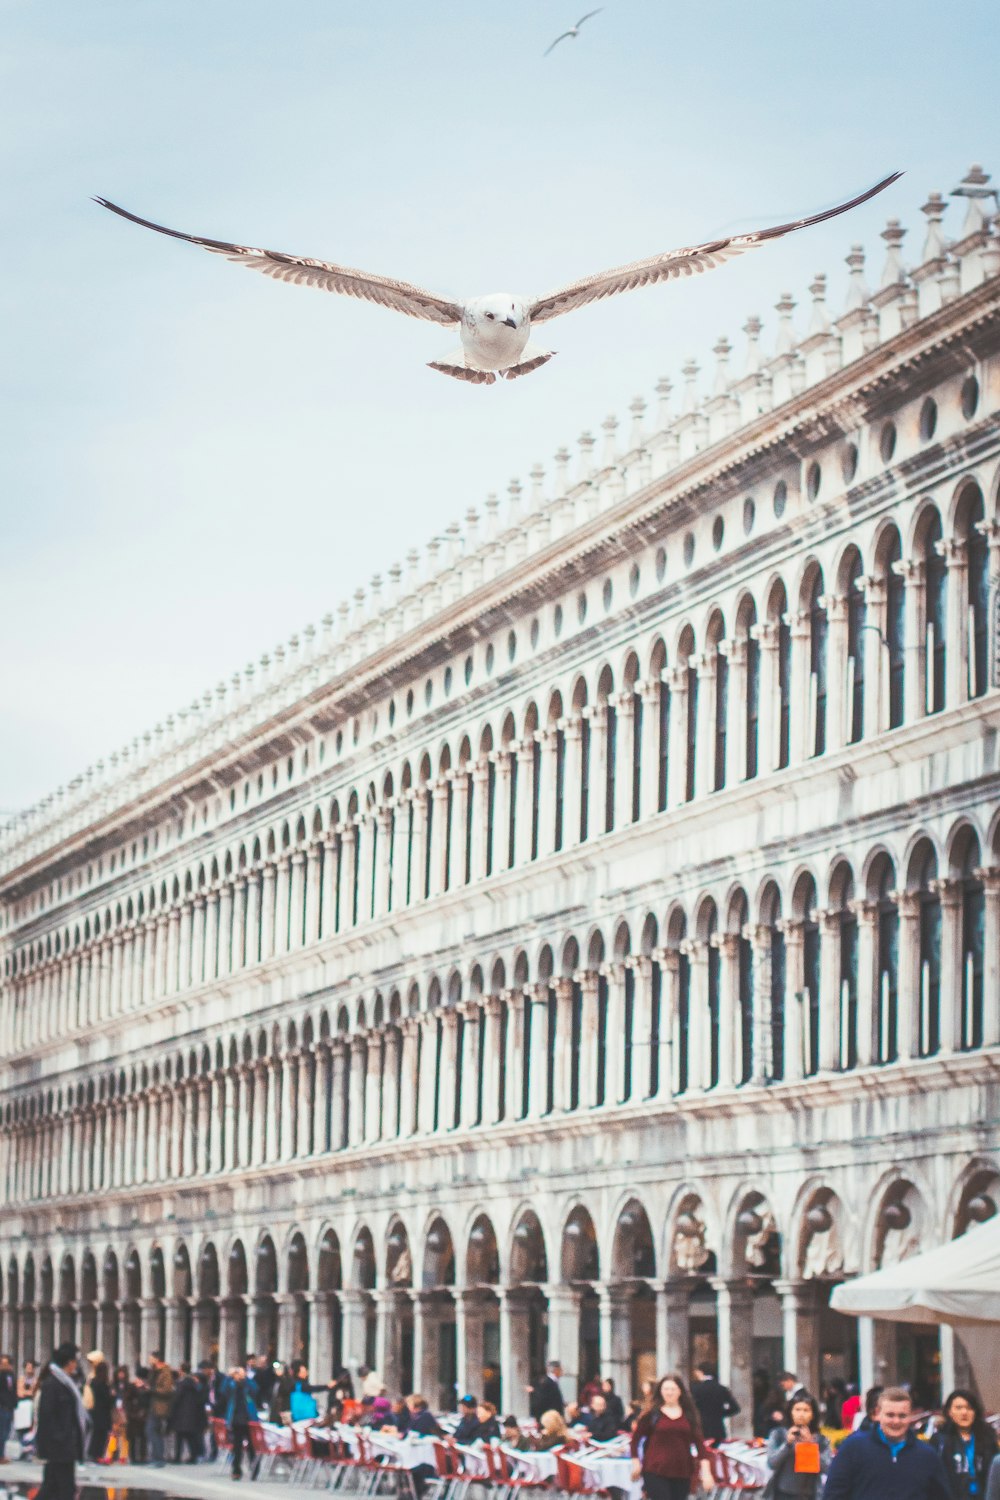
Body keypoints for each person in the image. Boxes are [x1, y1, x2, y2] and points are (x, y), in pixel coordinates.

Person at [824, 1386, 950, 1500]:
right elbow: (834, 1494)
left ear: (911, 1416)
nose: (896, 1421)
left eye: (902, 1416)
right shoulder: (853, 1448)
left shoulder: (926, 1455)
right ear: (877, 1414)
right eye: (890, 1415)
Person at [630, 1374, 713, 1500]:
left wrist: (706, 1472)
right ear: (660, 1391)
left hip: (682, 1471)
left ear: (680, 1391)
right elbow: (635, 1440)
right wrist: (636, 1462)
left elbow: (700, 1445)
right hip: (655, 1470)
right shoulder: (652, 1414)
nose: (669, 1393)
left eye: (673, 1389)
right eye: (666, 1389)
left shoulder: (689, 1415)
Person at [36, 1343, 89, 1500]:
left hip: (65, 1445)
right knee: (64, 1489)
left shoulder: (68, 1383)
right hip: (59, 1445)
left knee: (53, 1488)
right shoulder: (53, 1384)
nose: (76, 1365)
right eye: (75, 1361)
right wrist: (58, 1440)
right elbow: (46, 1416)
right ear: (69, 1362)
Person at [931, 1388, 999, 1498]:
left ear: (975, 1412)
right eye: (958, 1408)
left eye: (969, 1408)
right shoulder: (940, 1440)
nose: (964, 1412)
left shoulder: (988, 1437)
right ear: (949, 1412)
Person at [765, 1392, 833, 1498]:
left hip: (809, 1494)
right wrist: (787, 1444)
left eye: (806, 1410)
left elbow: (828, 1468)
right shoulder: (778, 1434)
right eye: (797, 1409)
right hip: (783, 1493)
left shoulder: (821, 1440)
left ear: (812, 1415)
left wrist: (810, 1444)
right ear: (790, 1412)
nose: (801, 1414)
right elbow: (772, 1463)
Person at [691, 1363, 741, 1444]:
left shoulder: (695, 1389)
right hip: (718, 1429)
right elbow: (735, 1408)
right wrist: (720, 1413)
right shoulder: (721, 1388)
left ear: (701, 1372)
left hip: (701, 1428)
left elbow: (690, 1408)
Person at [170, 1362, 206, 1462]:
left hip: (182, 1413)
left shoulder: (182, 1383)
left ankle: (178, 1457)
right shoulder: (193, 1383)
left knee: (180, 1437)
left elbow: (177, 1397)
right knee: (189, 1436)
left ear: (181, 1370)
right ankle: (193, 1456)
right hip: (191, 1413)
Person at [146, 1350, 175, 1467]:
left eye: (151, 1358)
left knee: (152, 1430)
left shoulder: (165, 1372)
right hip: (154, 1405)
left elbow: (167, 1389)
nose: (149, 1360)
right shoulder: (155, 1371)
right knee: (153, 1431)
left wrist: (152, 1389)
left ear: (157, 1359)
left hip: (160, 1406)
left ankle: (158, 1458)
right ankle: (156, 1457)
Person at [85, 1357, 114, 1463]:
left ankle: (93, 1454)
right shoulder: (103, 1384)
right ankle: (97, 1454)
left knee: (96, 1433)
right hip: (103, 1412)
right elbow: (107, 1399)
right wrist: (112, 1395)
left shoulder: (93, 1382)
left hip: (94, 1410)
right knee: (101, 1435)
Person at [124, 1368, 151, 1464]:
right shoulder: (133, 1386)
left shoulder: (147, 1387)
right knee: (133, 1437)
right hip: (134, 1415)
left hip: (141, 1415)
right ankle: (134, 1457)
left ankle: (142, 1457)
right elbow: (127, 1400)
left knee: (142, 1437)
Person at [0, 1353, 17, 1463]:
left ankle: (2, 1454)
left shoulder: (11, 1375)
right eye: (2, 1364)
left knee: (6, 1432)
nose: (4, 1366)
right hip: (2, 1406)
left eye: (6, 1364)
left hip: (9, 1407)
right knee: (2, 1432)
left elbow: (12, 1391)